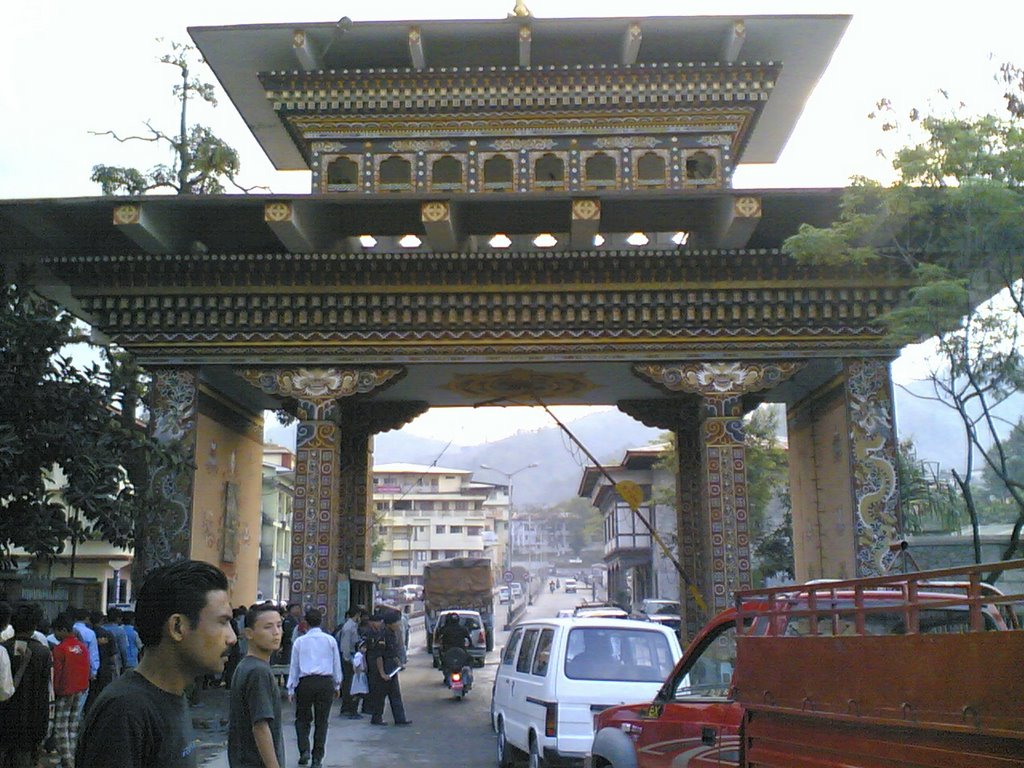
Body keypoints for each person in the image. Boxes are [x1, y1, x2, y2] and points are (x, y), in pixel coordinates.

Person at [76, 560, 237, 768]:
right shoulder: (125, 711)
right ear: (177, 627)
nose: (232, 637)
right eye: (223, 622)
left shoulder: (173, 695)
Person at [228, 602, 285, 768]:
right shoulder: (258, 671)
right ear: (249, 633)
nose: (276, 633)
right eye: (268, 627)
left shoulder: (245, 665)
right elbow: (260, 726)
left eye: (279, 625)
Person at [286, 608, 341, 768]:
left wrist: (291, 688)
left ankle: (304, 751)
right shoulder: (330, 640)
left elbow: (294, 667)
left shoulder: (300, 642)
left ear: (306, 623)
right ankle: (317, 758)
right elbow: (336, 664)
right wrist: (337, 684)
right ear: (320, 621)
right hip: (325, 682)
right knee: (322, 721)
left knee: (302, 719)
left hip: (305, 683)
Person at [0, 602, 52, 768]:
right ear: (36, 625)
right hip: (31, 722)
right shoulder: (43, 652)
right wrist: (44, 727)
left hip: (4, 719)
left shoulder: (3, 649)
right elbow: (46, 694)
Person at [51, 612, 90, 768]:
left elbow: (57, 673)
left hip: (64, 692)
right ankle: (71, 756)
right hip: (79, 690)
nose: (55, 634)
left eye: (56, 631)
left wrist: (55, 691)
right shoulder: (81, 647)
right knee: (73, 726)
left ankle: (68, 761)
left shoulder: (60, 649)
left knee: (60, 728)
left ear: (61, 629)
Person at [365, 612, 411, 726]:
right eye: (396, 622)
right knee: (380, 696)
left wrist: (399, 663)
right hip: (384, 670)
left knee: (395, 694)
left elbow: (392, 653)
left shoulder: (392, 634)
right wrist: (382, 673)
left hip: (392, 669)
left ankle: (400, 719)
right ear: (390, 624)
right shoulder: (383, 636)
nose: (398, 624)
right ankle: (376, 718)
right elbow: (379, 656)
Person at [335, 607, 364, 718]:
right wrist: (349, 660)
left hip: (351, 656)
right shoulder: (349, 627)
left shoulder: (352, 626)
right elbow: (345, 646)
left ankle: (346, 708)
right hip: (349, 658)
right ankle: (350, 709)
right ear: (356, 615)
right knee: (351, 685)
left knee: (349, 684)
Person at [71, 608, 99, 714]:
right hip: (84, 669)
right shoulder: (90, 633)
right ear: (87, 618)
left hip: (69, 667)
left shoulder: (70, 629)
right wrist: (94, 671)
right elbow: (93, 654)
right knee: (80, 700)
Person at [102, 608, 130, 676]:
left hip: (101, 661)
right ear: (118, 618)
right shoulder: (120, 631)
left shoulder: (101, 629)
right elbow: (123, 649)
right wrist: (125, 664)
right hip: (115, 662)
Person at [347, 640, 369, 719]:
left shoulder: (362, 655)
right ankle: (353, 711)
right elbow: (356, 664)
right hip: (358, 677)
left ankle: (355, 711)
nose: (365, 649)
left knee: (359, 694)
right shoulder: (358, 655)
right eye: (363, 647)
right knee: (357, 694)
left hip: (361, 675)